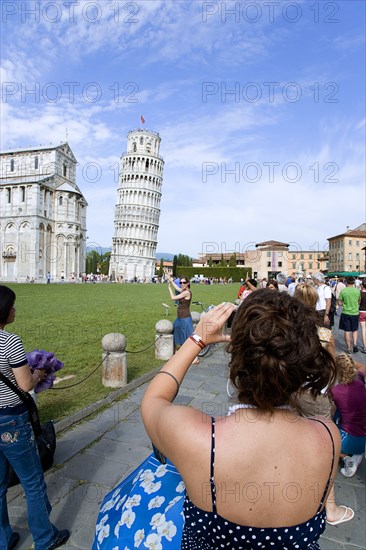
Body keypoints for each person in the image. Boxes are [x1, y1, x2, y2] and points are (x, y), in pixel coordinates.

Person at [140, 290, 341, 549]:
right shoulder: (328, 436)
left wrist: (197, 339)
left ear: (236, 356)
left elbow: (153, 399)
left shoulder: (199, 439)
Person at [0, 285, 70, 550]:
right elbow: (26, 384)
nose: (15, 310)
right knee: (32, 481)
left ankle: (3, 540)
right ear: (4, 311)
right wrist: (40, 373)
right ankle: (44, 537)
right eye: (13, 305)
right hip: (11, 420)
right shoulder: (9, 342)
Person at [330, 353, 366, 478]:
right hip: (363, 432)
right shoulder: (359, 379)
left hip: (353, 438)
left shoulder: (336, 391)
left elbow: (328, 407)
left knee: (326, 444)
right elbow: (363, 367)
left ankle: (349, 458)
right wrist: (348, 361)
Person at [164, 272, 198, 364]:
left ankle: (195, 358)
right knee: (175, 333)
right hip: (180, 318)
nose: (182, 284)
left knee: (189, 339)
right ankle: (176, 353)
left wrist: (169, 288)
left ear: (187, 284)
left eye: (184, 283)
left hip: (185, 318)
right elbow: (177, 288)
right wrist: (170, 279)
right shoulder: (183, 291)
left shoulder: (186, 292)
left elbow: (173, 298)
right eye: (181, 282)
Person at [338, 276, 361, 353]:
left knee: (347, 331)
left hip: (346, 313)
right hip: (355, 313)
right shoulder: (357, 291)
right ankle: (354, 344)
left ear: (346, 282)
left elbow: (339, 303)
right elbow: (359, 301)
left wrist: (344, 303)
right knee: (355, 330)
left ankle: (348, 348)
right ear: (354, 282)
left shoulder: (343, 291)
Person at [358, 278, 366, 353]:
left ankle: (365, 347)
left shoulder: (360, 293)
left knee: (363, 329)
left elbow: (358, 303)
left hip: (362, 311)